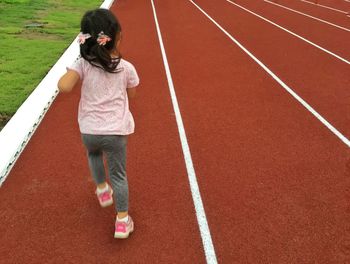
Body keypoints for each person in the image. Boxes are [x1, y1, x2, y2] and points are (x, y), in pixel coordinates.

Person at [57, 8, 139, 239]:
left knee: (93, 155)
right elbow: (132, 95)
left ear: (85, 38)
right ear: (119, 36)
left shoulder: (82, 64)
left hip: (89, 130)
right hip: (115, 131)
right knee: (119, 175)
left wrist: (76, 65)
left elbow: (64, 86)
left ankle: (102, 189)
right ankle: (122, 220)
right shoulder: (126, 67)